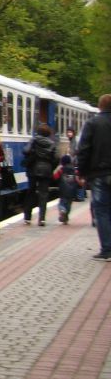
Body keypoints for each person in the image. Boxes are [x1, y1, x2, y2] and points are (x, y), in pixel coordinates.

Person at [78, 93, 111, 259]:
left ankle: (107, 250)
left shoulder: (92, 123)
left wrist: (82, 172)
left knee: (102, 211)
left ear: (100, 107)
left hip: (99, 174)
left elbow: (84, 150)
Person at [23, 122, 59, 226]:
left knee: (30, 192)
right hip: (46, 170)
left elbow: (25, 151)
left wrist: (32, 143)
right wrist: (51, 167)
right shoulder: (52, 143)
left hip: (32, 170)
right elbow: (56, 159)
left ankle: (27, 218)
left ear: (38, 132)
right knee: (43, 194)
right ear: (48, 133)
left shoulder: (34, 140)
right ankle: (42, 219)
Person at [53, 154, 80, 225]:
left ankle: (62, 210)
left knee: (61, 204)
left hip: (63, 190)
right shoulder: (74, 170)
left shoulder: (61, 170)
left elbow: (55, 177)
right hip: (72, 191)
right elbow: (78, 179)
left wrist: (57, 168)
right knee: (69, 205)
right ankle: (65, 218)